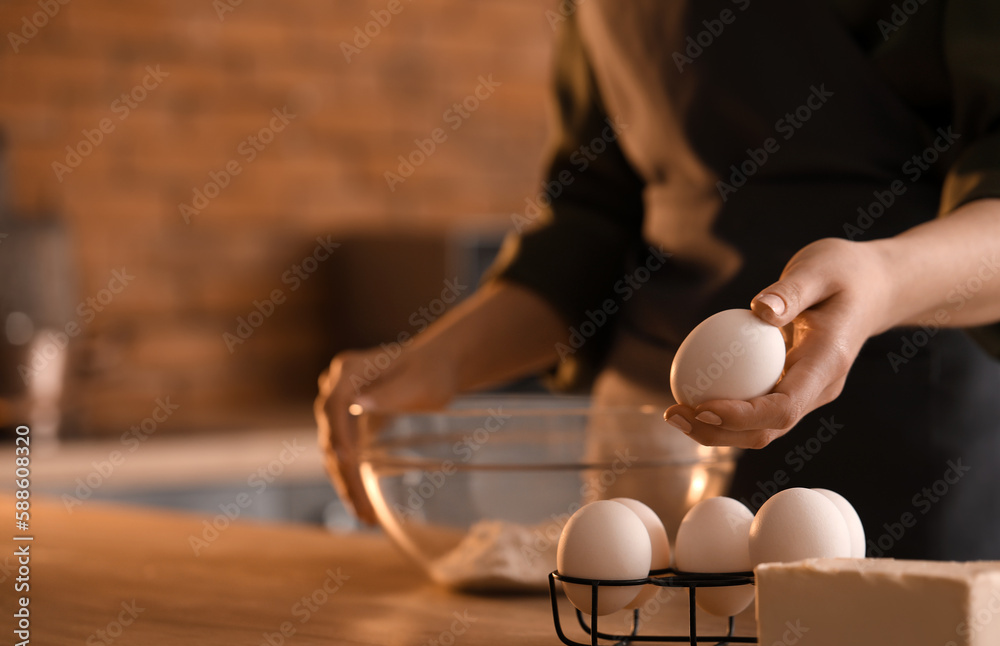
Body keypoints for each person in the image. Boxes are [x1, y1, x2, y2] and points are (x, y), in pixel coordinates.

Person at [317, 1, 1000, 560]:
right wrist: (434, 362)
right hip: (649, 442)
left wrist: (879, 279)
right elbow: (593, 221)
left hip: (898, 428)